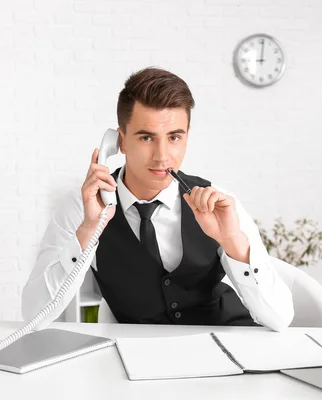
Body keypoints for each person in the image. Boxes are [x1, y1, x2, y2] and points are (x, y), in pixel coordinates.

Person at [21, 67, 294, 331]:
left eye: (174, 137)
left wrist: (232, 241)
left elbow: (280, 318)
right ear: (121, 142)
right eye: (146, 138)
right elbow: (34, 315)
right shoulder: (81, 208)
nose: (162, 156)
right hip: (140, 359)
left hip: (226, 344)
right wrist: (88, 231)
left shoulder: (220, 204)